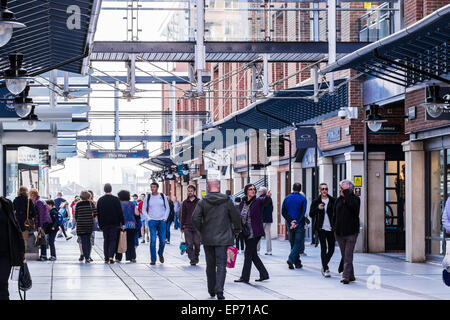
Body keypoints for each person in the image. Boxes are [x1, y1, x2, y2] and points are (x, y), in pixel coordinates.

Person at [192, 180, 241, 300]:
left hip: (208, 238)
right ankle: (219, 291)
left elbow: (195, 218)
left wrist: (202, 230)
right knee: (221, 265)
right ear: (219, 186)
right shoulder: (227, 200)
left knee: (210, 265)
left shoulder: (203, 202)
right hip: (223, 238)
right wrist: (236, 230)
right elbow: (236, 217)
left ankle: (211, 289)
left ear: (208, 187)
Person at [235, 184, 272, 283]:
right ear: (246, 191)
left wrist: (268, 197)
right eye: (250, 189)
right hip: (246, 232)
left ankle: (245, 277)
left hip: (255, 232)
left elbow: (266, 201)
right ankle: (264, 274)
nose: (253, 191)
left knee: (248, 253)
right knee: (253, 254)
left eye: (254, 189)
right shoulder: (242, 203)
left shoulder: (258, 201)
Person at [333, 180, 361, 284]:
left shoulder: (355, 200)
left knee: (348, 255)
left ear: (349, 190)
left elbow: (354, 210)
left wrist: (347, 196)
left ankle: (345, 276)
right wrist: (334, 227)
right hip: (339, 232)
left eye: (343, 189)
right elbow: (334, 215)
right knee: (344, 255)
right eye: (340, 188)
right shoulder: (338, 200)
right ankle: (351, 275)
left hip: (351, 232)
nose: (340, 190)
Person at [0, 196, 25, 300]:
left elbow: (15, 228)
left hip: (5, 253)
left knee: (2, 282)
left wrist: (21, 253)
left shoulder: (5, 204)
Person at [309, 183, 336, 277]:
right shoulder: (316, 201)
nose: (324, 191)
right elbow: (311, 214)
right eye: (323, 189)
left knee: (332, 248)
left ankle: (324, 264)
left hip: (331, 228)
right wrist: (318, 208)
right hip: (321, 228)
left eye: (326, 189)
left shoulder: (333, 200)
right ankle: (325, 268)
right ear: (319, 190)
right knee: (323, 248)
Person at [142, 182, 170, 265]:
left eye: (154, 187)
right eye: (151, 187)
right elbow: (143, 209)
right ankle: (153, 259)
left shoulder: (162, 196)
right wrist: (149, 218)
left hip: (162, 221)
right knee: (153, 240)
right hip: (152, 221)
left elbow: (167, 208)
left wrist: (165, 218)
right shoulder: (148, 197)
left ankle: (160, 253)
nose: (152, 188)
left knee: (162, 241)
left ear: (157, 188)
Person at [282, 183, 307, 269]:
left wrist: (290, 221)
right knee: (297, 243)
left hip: (290, 224)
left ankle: (297, 263)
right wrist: (296, 222)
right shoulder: (303, 199)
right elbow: (302, 212)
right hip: (299, 224)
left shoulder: (287, 198)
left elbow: (283, 212)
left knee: (292, 243)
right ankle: (291, 259)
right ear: (300, 189)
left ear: (292, 188)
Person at [97, 183, 124, 264]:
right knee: (113, 240)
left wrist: (100, 223)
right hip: (114, 223)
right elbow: (120, 212)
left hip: (104, 223)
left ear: (104, 190)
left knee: (106, 240)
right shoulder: (116, 199)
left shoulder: (100, 200)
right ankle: (111, 256)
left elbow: (98, 213)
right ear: (111, 189)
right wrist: (122, 222)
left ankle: (106, 258)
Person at [29, 188, 53, 261]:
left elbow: (40, 215)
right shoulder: (39, 201)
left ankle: (43, 255)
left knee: (42, 239)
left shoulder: (39, 202)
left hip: (43, 223)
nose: (30, 197)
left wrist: (40, 226)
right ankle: (43, 255)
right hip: (44, 222)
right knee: (42, 238)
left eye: (30, 195)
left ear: (33, 195)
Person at [116, 190, 139, 263]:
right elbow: (137, 213)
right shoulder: (132, 204)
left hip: (121, 224)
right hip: (131, 225)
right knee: (130, 241)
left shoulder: (118, 204)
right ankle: (131, 257)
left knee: (119, 241)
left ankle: (118, 257)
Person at [181, 185, 201, 265]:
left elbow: (203, 214)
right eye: (188, 191)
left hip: (197, 226)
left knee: (197, 244)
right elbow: (183, 214)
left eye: (191, 191)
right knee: (189, 244)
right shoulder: (185, 202)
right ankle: (192, 259)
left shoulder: (199, 202)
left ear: (194, 191)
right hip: (187, 226)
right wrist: (182, 226)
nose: (190, 192)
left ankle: (196, 257)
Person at [75, 190, 96, 263]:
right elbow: (95, 213)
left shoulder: (78, 204)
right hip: (89, 225)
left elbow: (76, 216)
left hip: (81, 225)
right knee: (88, 241)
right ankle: (88, 257)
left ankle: (86, 257)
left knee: (83, 241)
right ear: (88, 196)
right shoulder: (91, 204)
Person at [13, 186, 36, 250]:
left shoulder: (16, 200)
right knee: (24, 240)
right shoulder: (28, 201)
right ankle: (23, 257)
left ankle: (18, 256)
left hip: (17, 223)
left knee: (17, 240)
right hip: (26, 223)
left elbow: (12, 210)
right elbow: (34, 213)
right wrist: (31, 217)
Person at [259, 187, 273, 255]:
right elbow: (271, 209)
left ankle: (257, 250)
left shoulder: (260, 199)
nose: (258, 192)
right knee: (268, 234)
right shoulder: (269, 199)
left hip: (261, 219)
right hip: (268, 219)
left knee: (258, 234)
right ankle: (269, 250)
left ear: (262, 192)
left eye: (259, 191)